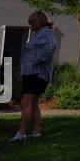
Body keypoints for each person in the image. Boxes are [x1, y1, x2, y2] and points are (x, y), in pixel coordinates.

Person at [12, 11, 57, 142]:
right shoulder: (38, 34)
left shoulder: (46, 33)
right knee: (33, 103)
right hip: (31, 73)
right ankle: (35, 131)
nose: (30, 25)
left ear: (38, 21)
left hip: (36, 74)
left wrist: (39, 59)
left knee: (25, 102)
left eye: (31, 22)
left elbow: (52, 45)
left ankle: (21, 133)